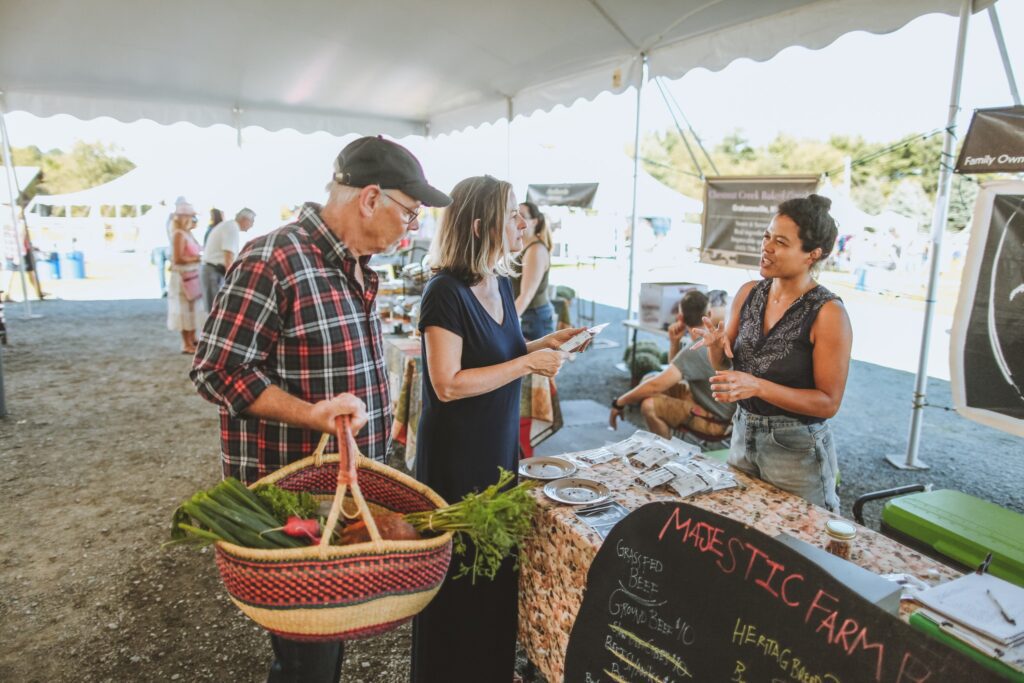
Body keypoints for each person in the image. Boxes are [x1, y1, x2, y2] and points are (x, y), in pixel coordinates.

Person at [191, 135, 450, 683]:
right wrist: (312, 415)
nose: (412, 227)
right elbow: (216, 370)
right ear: (371, 198)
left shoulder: (355, 266)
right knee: (305, 654)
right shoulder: (273, 258)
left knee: (327, 637)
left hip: (341, 492)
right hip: (293, 497)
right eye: (410, 212)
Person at [412, 175, 584, 683]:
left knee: (495, 571)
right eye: (512, 214)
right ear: (482, 223)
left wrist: (549, 343)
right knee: (458, 573)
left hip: (497, 447)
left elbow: (503, 352)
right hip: (456, 455)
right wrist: (527, 366)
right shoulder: (443, 292)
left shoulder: (500, 283)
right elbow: (448, 384)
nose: (523, 223)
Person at [694, 194, 852, 511]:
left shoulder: (828, 312)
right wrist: (715, 349)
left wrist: (758, 386)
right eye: (767, 236)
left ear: (812, 254)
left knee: (802, 543)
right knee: (743, 532)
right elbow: (726, 368)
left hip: (796, 447)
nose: (766, 247)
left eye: (780, 242)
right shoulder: (749, 293)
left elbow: (828, 402)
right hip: (743, 432)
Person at [609, 289, 735, 439]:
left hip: (717, 421)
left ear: (680, 317)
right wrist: (674, 342)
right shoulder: (705, 342)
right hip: (715, 406)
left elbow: (658, 385)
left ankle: (665, 451)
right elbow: (674, 373)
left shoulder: (695, 349)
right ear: (709, 315)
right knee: (649, 379)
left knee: (649, 405)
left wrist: (619, 402)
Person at [511, 201, 554, 340]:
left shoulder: (536, 250)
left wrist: (506, 325)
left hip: (534, 318)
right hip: (527, 315)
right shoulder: (522, 246)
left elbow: (526, 295)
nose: (518, 219)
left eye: (523, 215)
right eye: (515, 215)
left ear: (535, 221)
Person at [166, 202, 206, 354]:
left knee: (193, 308)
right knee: (183, 308)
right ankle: (186, 342)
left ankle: (192, 339)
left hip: (192, 275)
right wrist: (197, 258)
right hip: (182, 277)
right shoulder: (178, 234)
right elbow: (178, 258)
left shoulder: (188, 234)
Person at [201, 208, 255, 309]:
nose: (251, 225)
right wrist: (233, 281)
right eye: (251, 222)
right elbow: (228, 257)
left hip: (213, 271)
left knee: (216, 308)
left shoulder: (230, 226)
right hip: (213, 272)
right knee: (216, 309)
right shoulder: (232, 228)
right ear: (244, 219)